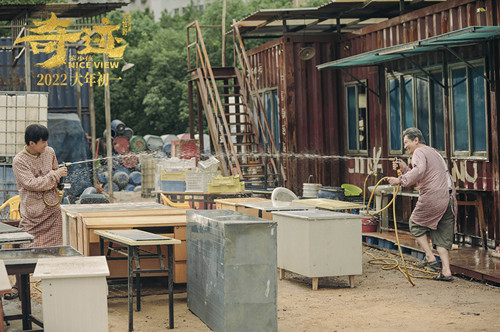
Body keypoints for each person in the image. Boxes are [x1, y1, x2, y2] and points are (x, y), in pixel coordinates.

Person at [386, 127, 457, 281]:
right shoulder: (433, 152)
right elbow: (422, 172)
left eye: (406, 142)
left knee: (415, 224)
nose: (405, 146)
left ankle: (429, 257)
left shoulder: (419, 152)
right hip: (449, 197)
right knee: (441, 233)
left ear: (416, 140)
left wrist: (400, 180)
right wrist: (404, 168)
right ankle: (446, 271)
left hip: (434, 196)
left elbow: (420, 170)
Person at [12, 124, 67, 247]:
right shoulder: (19, 161)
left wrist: (59, 175)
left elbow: (55, 170)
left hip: (52, 211)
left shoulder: (49, 152)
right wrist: (55, 175)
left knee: (54, 249)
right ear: (32, 143)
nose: (46, 145)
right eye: (43, 142)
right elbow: (31, 184)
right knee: (30, 247)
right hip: (33, 215)